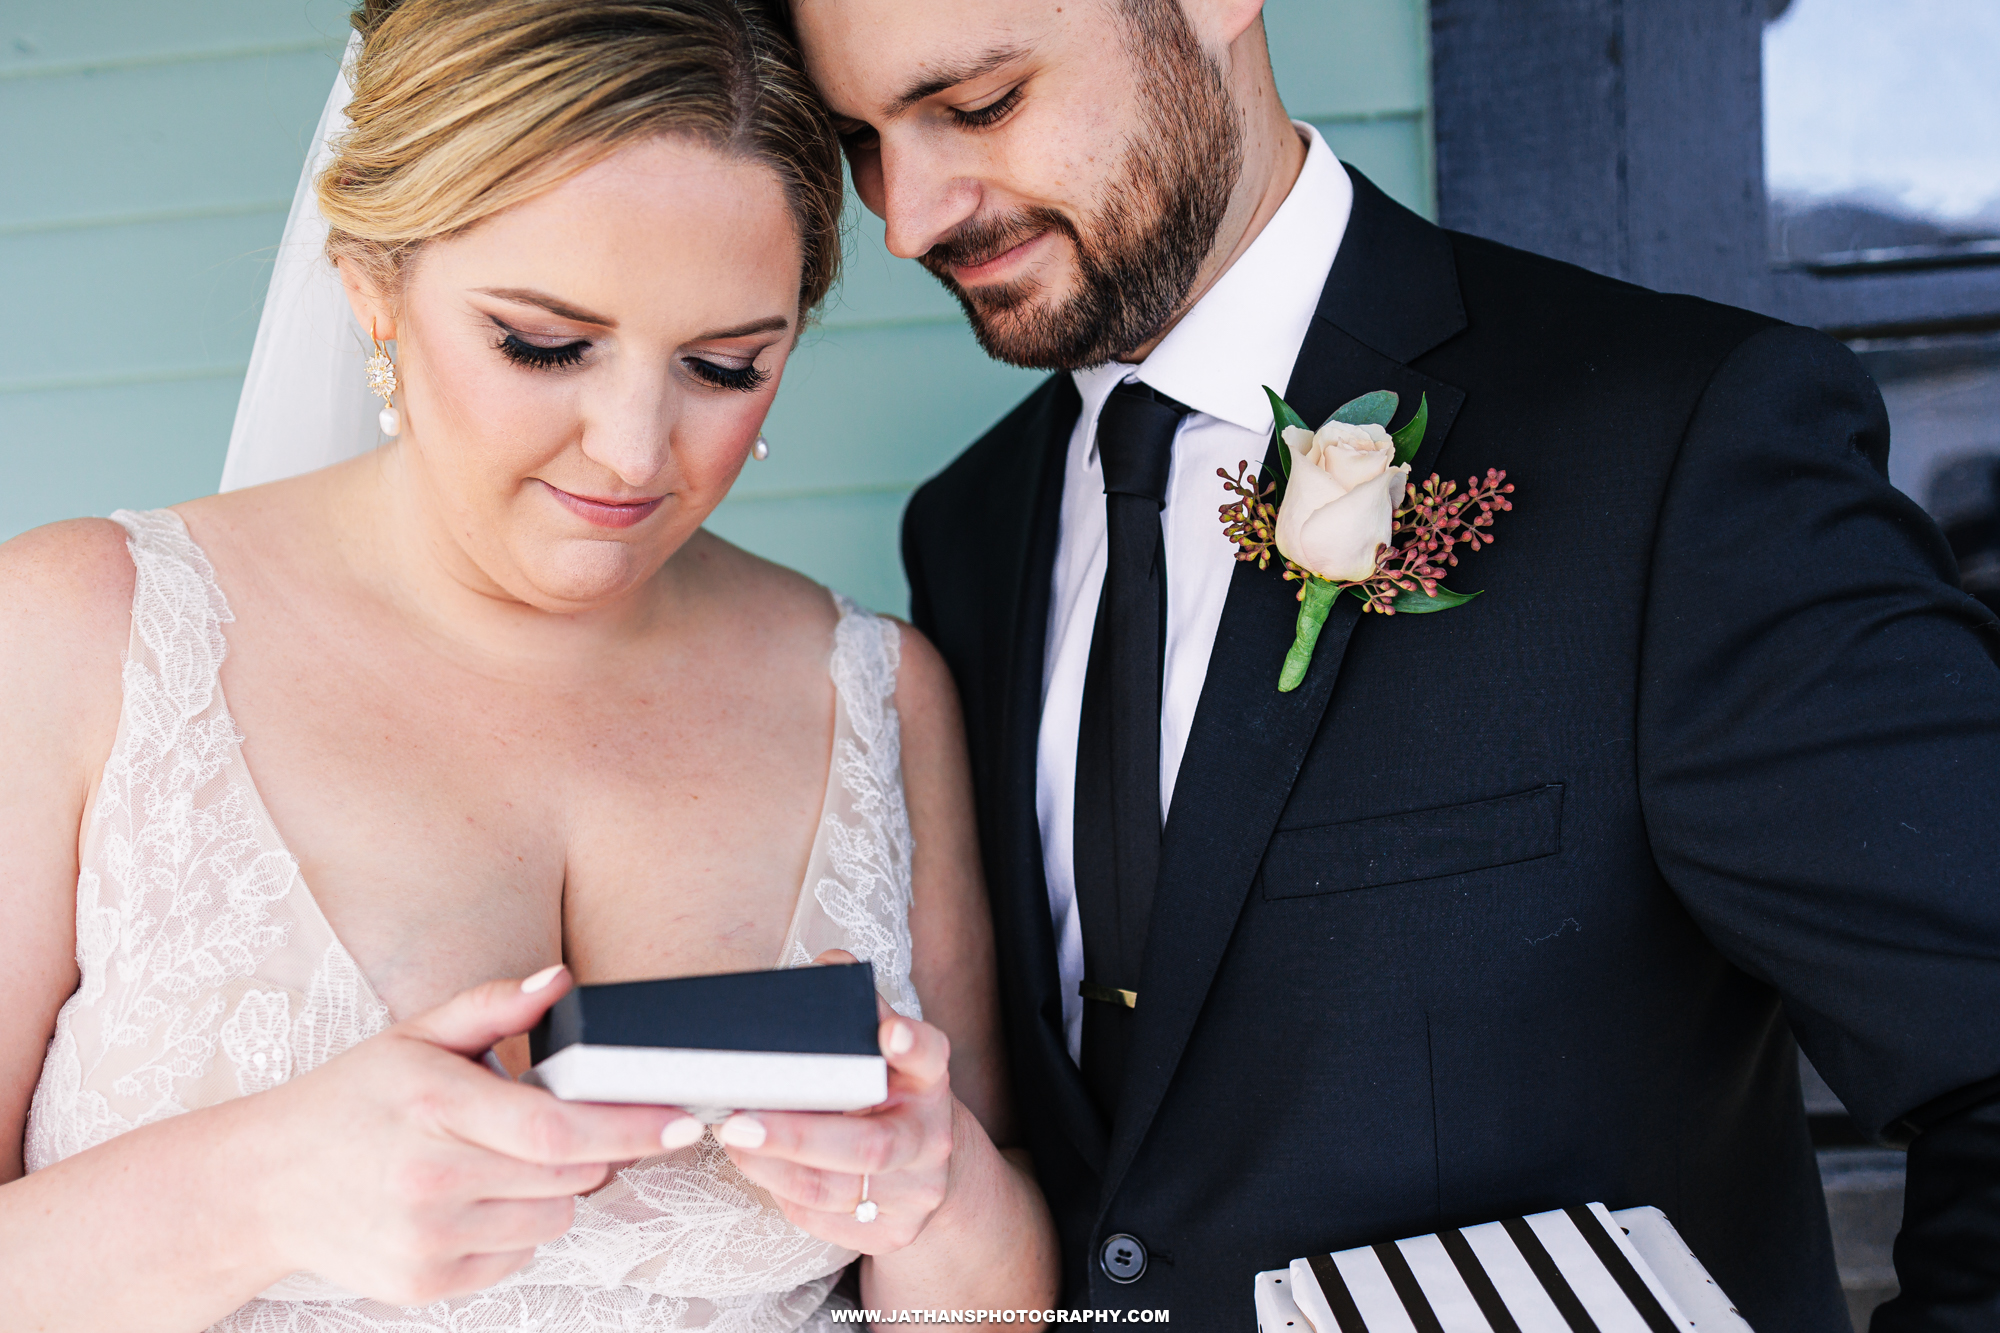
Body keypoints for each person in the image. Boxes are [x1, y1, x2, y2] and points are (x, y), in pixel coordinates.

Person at [782, 0, 2000, 1326]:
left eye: (979, 105)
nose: (905, 216)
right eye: (860, 138)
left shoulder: (1677, 449)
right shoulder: (968, 528)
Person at [0, 1, 1057, 1328]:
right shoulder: (79, 633)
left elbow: (997, 1307)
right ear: (370, 286)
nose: (632, 448)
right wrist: (258, 1187)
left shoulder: (877, 690)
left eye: (726, 365)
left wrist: (938, 1191)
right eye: (545, 344)